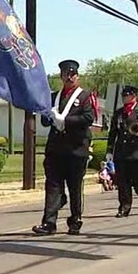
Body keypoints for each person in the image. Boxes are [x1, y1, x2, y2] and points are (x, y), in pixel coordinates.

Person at [33, 60, 95, 236]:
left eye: (72, 74)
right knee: (52, 186)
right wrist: (48, 114)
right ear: (61, 76)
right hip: (55, 149)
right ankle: (49, 223)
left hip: (76, 149)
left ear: (77, 76)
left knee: (75, 187)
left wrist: (65, 121)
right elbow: (45, 121)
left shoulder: (85, 96)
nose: (69, 78)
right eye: (65, 75)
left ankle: (75, 220)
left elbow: (88, 118)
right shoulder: (54, 97)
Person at [108, 85, 138, 218]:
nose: (125, 98)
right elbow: (113, 132)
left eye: (127, 96)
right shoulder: (119, 113)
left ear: (134, 96)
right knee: (122, 182)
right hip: (122, 152)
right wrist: (110, 150)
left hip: (136, 152)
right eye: (123, 96)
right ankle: (124, 207)